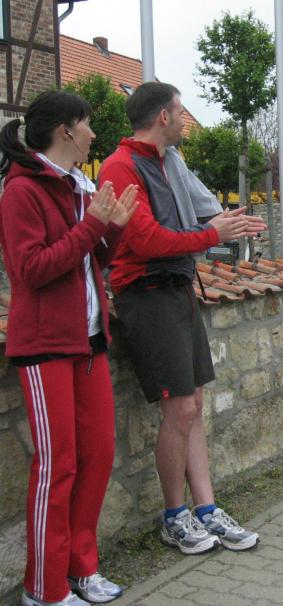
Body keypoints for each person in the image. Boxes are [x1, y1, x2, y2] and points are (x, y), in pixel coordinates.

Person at [98, 82, 265, 555]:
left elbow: (183, 228)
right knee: (180, 409)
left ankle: (207, 509)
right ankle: (175, 516)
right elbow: (147, 241)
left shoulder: (164, 163)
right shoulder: (121, 165)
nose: (185, 119)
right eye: (180, 111)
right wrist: (211, 234)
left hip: (176, 289)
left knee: (193, 405)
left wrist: (218, 227)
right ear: (163, 117)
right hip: (147, 295)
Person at [0, 90, 138, 605]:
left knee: (98, 456)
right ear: (65, 131)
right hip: (45, 346)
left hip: (89, 341)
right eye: (86, 125)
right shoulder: (21, 191)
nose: (93, 134)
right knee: (57, 467)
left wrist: (112, 232)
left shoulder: (78, 186)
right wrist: (94, 225)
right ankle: (44, 588)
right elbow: (33, 269)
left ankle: (83, 569)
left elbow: (90, 258)